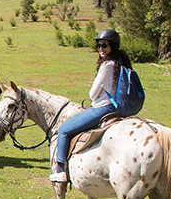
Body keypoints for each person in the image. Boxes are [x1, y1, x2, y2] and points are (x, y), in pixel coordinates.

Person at [49, 29, 132, 183]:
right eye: (98, 45)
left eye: (104, 45)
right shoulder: (119, 63)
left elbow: (92, 94)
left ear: (112, 46)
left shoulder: (107, 65)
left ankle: (60, 169)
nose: (100, 48)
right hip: (115, 108)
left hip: (102, 108)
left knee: (64, 130)